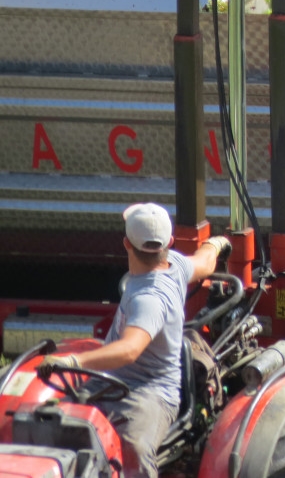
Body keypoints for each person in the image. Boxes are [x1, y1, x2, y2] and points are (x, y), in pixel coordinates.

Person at [38, 202, 231, 478]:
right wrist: (217, 243)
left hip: (149, 393)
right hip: (108, 380)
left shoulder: (148, 298)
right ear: (170, 243)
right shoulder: (175, 264)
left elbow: (130, 349)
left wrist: (71, 361)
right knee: (47, 422)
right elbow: (205, 262)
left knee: (134, 451)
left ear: (126, 244)